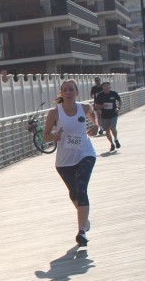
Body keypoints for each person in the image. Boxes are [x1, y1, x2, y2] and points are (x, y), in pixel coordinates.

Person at [43, 80, 98, 247]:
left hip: (85, 153)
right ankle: (84, 219)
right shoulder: (54, 113)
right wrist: (54, 136)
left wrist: (96, 125)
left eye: (71, 90)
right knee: (74, 193)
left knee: (81, 189)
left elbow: (93, 115)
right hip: (64, 161)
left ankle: (81, 231)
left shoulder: (84, 108)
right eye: (65, 90)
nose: (68, 92)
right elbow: (45, 136)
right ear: (61, 93)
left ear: (76, 92)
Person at [93, 81, 122, 152]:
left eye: (107, 86)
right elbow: (96, 106)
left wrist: (118, 108)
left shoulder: (114, 93)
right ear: (102, 87)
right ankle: (112, 144)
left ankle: (116, 139)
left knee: (112, 127)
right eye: (104, 86)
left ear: (110, 87)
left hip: (113, 114)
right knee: (107, 130)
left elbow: (120, 101)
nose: (106, 88)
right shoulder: (100, 95)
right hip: (104, 115)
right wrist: (102, 106)